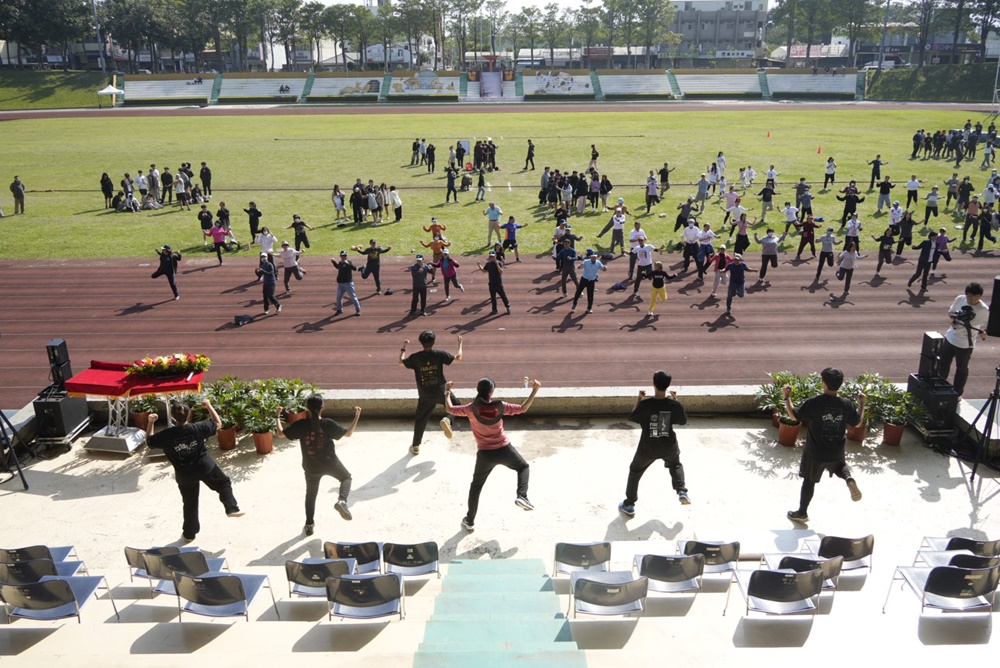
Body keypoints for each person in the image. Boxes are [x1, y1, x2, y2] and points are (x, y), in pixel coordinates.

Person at [446, 377, 540, 532]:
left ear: (477, 390)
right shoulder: (500, 406)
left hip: (485, 454)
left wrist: (447, 392)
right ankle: (522, 496)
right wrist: (534, 391)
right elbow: (523, 408)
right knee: (523, 467)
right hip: (505, 449)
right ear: (491, 392)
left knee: (476, 487)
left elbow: (450, 409)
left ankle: (470, 520)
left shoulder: (470, 408)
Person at [146, 399, 244, 542]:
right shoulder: (198, 428)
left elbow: (149, 441)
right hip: (204, 466)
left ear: (172, 417)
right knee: (223, 483)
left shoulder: (166, 435)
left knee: (190, 503)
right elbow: (218, 423)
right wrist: (209, 405)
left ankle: (189, 534)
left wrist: (150, 422)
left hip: (184, 474)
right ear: (189, 414)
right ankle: (231, 508)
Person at [783, 368, 865, 524]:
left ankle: (802, 513)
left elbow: (794, 416)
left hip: (815, 452)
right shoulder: (846, 404)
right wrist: (862, 404)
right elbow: (858, 423)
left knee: (809, 481)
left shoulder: (815, 402)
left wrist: (787, 397)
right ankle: (848, 478)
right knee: (840, 467)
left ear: (824, 384)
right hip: (836, 451)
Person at [275, 395, 361, 534]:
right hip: (330, 464)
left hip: (311, 468)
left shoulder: (301, 424)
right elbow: (348, 434)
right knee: (346, 478)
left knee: (311, 494)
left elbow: (280, 434)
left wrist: (278, 416)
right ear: (323, 408)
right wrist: (357, 416)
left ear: (307, 408)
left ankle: (309, 525)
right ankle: (342, 501)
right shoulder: (328, 424)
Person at [619, 370, 690, 517]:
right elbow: (682, 421)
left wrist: (639, 399)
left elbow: (632, 417)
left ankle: (629, 504)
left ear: (653, 384)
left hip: (648, 448)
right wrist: (676, 400)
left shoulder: (645, 405)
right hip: (669, 446)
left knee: (635, 471)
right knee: (675, 465)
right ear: (668, 386)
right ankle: (681, 491)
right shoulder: (674, 404)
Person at [400, 330, 463, 455]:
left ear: (421, 342)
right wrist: (460, 344)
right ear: (434, 342)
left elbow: (401, 362)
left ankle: (416, 446)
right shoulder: (439, 354)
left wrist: (404, 347)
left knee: (421, 419)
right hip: (440, 391)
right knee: (456, 405)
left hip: (425, 394)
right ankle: (448, 419)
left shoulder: (415, 357)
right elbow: (458, 358)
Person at [939, 282, 990, 397]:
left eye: (976, 297)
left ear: (980, 297)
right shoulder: (960, 299)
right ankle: (940, 387)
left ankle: (957, 394)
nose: (972, 300)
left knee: (961, 370)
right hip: (950, 337)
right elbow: (951, 313)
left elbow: (991, 325)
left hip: (965, 344)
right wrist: (954, 321)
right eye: (970, 297)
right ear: (966, 294)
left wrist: (985, 332)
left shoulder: (984, 310)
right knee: (943, 364)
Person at [571, 249, 606, 313]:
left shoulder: (598, 263)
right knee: (578, 292)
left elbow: (603, 269)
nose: (594, 258)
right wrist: (580, 266)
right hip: (584, 279)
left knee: (590, 295)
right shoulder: (586, 262)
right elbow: (579, 267)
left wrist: (605, 268)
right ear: (590, 257)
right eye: (592, 257)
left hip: (591, 281)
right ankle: (574, 303)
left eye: (595, 257)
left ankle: (589, 308)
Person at [478, 250, 510, 315]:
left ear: (495, 256)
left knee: (503, 296)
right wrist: (479, 265)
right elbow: (484, 271)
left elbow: (501, 272)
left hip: (498, 284)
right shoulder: (488, 264)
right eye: (491, 256)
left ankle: (508, 307)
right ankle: (494, 310)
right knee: (493, 298)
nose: (492, 257)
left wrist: (497, 265)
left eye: (493, 256)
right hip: (491, 284)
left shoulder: (499, 263)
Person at [331, 250, 361, 316]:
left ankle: (358, 309)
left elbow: (354, 268)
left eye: (345, 256)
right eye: (342, 256)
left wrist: (348, 264)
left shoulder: (349, 262)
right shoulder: (340, 263)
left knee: (353, 297)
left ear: (346, 256)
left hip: (348, 283)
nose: (343, 257)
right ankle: (339, 309)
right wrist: (334, 262)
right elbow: (338, 267)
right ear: (340, 256)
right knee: (339, 297)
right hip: (340, 284)